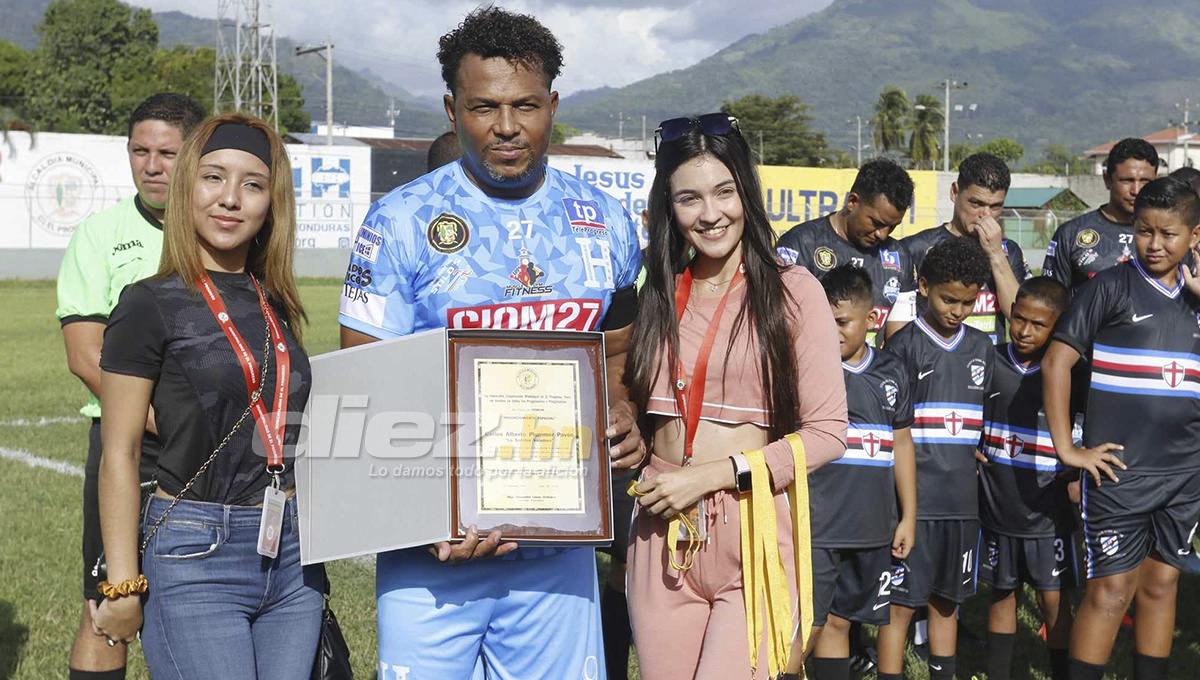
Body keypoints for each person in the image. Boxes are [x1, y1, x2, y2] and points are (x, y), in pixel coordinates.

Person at [337, 8, 645, 679]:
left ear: (553, 105)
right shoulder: (399, 220)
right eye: (485, 106)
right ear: (453, 109)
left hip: (559, 554)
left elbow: (617, 349)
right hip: (437, 551)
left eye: (526, 105)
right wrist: (420, 517)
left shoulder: (605, 222)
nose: (507, 126)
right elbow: (362, 384)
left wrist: (622, 414)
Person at [91, 113, 322, 678]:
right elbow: (118, 453)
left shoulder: (276, 302)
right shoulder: (148, 303)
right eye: (214, 178)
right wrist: (121, 585)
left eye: (253, 184)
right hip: (195, 552)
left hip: (292, 556)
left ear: (272, 203)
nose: (231, 199)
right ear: (187, 185)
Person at [624, 112, 847, 680]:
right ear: (668, 207)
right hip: (660, 530)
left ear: (746, 191)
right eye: (689, 198)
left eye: (724, 192)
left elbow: (827, 434)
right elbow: (628, 396)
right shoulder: (654, 291)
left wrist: (707, 476)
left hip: (751, 529)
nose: (710, 214)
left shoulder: (794, 291)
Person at [54, 92, 204, 680]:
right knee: (109, 600)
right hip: (128, 443)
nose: (152, 165)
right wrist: (159, 421)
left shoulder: (220, 226)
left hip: (215, 448)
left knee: (204, 597)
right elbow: (86, 355)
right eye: (139, 151)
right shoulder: (99, 234)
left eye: (168, 152)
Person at [1043, 176, 1200, 680]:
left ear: (1194, 237)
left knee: (1161, 586)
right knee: (1110, 591)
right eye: (1144, 231)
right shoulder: (1111, 286)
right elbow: (1056, 363)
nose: (1154, 245)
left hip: (1183, 475)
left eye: (1168, 234)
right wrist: (1069, 448)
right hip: (1119, 472)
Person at [874, 237, 994, 680]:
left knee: (948, 601)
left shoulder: (982, 349)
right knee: (901, 605)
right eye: (948, 299)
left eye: (968, 301)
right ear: (923, 286)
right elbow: (886, 425)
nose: (957, 310)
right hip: (915, 505)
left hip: (962, 505)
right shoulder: (903, 347)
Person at [805, 265, 916, 680]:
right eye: (823, 321)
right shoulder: (806, 369)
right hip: (818, 526)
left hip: (872, 527)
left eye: (841, 322)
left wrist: (908, 516)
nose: (831, 331)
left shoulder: (892, 372)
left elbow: (903, 444)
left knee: (840, 622)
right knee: (805, 626)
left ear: (872, 320)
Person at [977, 276, 1079, 680]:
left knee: (1053, 601)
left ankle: (1062, 672)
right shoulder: (990, 361)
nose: (1024, 330)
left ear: (1059, 326)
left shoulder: (1071, 370)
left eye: (1038, 325)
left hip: (1049, 513)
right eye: (1019, 318)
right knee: (1002, 596)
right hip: (999, 506)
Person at [776, 158, 918, 344]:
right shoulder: (800, 245)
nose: (882, 235)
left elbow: (901, 341)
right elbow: (778, 326)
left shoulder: (899, 257)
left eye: (892, 227)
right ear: (852, 201)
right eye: (876, 223)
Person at [902, 152, 1031, 343]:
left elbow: (1019, 316)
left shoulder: (1008, 252)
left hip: (987, 365)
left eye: (995, 207)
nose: (985, 215)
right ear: (954, 192)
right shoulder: (916, 248)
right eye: (976, 203)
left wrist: (995, 254)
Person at [1042, 138, 1159, 291]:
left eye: (1145, 181)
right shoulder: (1071, 233)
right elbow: (1049, 300)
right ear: (1107, 180)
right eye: (1127, 180)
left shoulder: (1169, 236)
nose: (1136, 190)